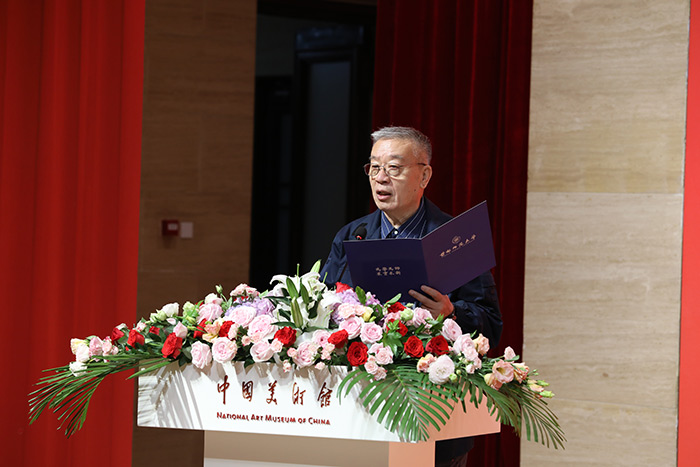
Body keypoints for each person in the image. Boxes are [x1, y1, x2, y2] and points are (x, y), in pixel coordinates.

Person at [320, 126, 502, 467]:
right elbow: (323, 306)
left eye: (393, 168)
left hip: (434, 414)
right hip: (356, 414)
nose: (381, 179)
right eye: (374, 168)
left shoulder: (456, 240)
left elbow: (491, 323)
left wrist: (450, 314)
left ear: (424, 174)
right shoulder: (353, 235)